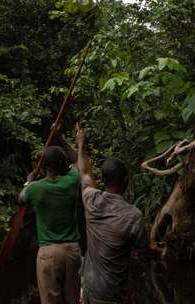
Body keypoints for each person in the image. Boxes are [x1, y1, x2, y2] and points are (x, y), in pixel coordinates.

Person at [74, 123, 151, 304]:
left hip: (89, 289)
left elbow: (84, 172)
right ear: (126, 180)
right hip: (113, 294)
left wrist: (80, 145)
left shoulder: (91, 200)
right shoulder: (133, 216)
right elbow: (144, 255)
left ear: (103, 180)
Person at [20, 135, 83, 304]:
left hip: (48, 252)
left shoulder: (35, 189)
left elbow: (21, 199)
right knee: (73, 300)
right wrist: (59, 137)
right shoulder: (71, 181)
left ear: (45, 167)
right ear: (62, 164)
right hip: (72, 251)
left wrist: (29, 181)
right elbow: (77, 159)